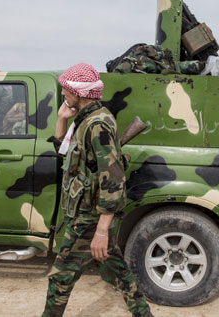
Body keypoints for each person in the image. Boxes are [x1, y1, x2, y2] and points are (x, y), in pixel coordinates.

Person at [42, 63, 152, 317]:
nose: (63, 93)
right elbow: (64, 154)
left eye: (66, 89)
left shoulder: (97, 124)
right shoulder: (85, 120)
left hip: (89, 218)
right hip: (88, 213)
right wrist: (61, 119)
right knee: (116, 270)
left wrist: (101, 230)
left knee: (60, 277)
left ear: (79, 93)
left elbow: (113, 179)